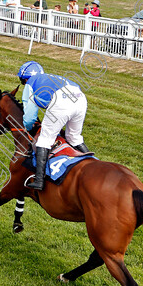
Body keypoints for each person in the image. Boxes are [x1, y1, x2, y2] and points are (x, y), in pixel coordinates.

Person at [18, 61, 89, 191]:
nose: (24, 84)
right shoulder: (51, 77)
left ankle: (39, 180)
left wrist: (29, 128)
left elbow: (29, 118)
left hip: (62, 102)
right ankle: (93, 162)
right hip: (80, 98)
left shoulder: (30, 84)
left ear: (25, 78)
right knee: (74, 137)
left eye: (23, 81)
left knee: (44, 140)